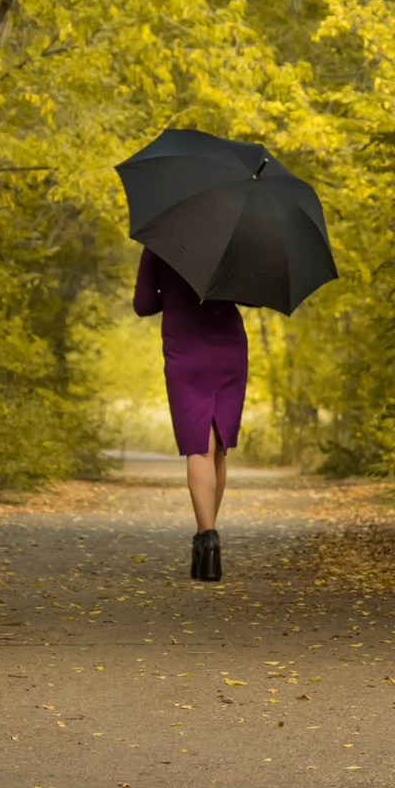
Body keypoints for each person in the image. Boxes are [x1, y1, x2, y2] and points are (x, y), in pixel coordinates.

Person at [132, 245, 246, 580]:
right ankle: (208, 537)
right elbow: (250, 295)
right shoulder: (230, 243)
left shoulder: (160, 243)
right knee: (220, 444)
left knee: (199, 444)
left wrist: (170, 292)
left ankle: (206, 538)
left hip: (185, 349)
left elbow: (143, 305)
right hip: (229, 346)